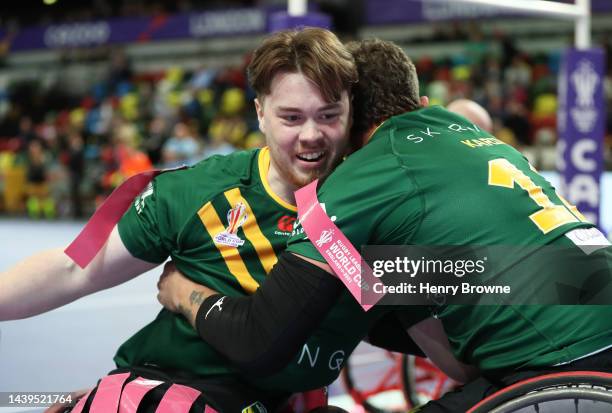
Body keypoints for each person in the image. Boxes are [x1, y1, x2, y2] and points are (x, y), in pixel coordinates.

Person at [156, 39, 612, 412]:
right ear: (422, 103)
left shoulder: (365, 172)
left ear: (347, 116)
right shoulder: (475, 138)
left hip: (560, 372)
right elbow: (463, 294)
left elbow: (259, 341)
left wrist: (184, 294)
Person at [1, 28, 379, 412]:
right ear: (261, 114)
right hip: (178, 392)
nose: (311, 135)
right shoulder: (199, 191)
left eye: (329, 115)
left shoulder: (379, 203)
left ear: (351, 112)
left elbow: (423, 299)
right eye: (291, 118)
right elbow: (72, 268)